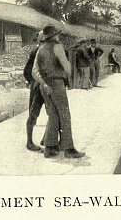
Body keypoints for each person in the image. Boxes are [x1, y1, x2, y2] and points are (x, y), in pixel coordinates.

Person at [32, 24, 85, 159]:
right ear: (54, 35)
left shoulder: (40, 49)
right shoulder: (58, 47)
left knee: (53, 115)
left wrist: (43, 84)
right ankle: (68, 148)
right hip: (57, 84)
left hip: (44, 86)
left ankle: (49, 148)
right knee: (64, 114)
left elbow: (34, 72)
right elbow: (67, 68)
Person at [23, 31, 45, 152]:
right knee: (33, 113)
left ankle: (46, 138)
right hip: (38, 86)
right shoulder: (37, 50)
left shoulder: (44, 50)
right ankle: (29, 142)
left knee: (52, 112)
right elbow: (27, 69)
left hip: (44, 85)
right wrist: (33, 82)